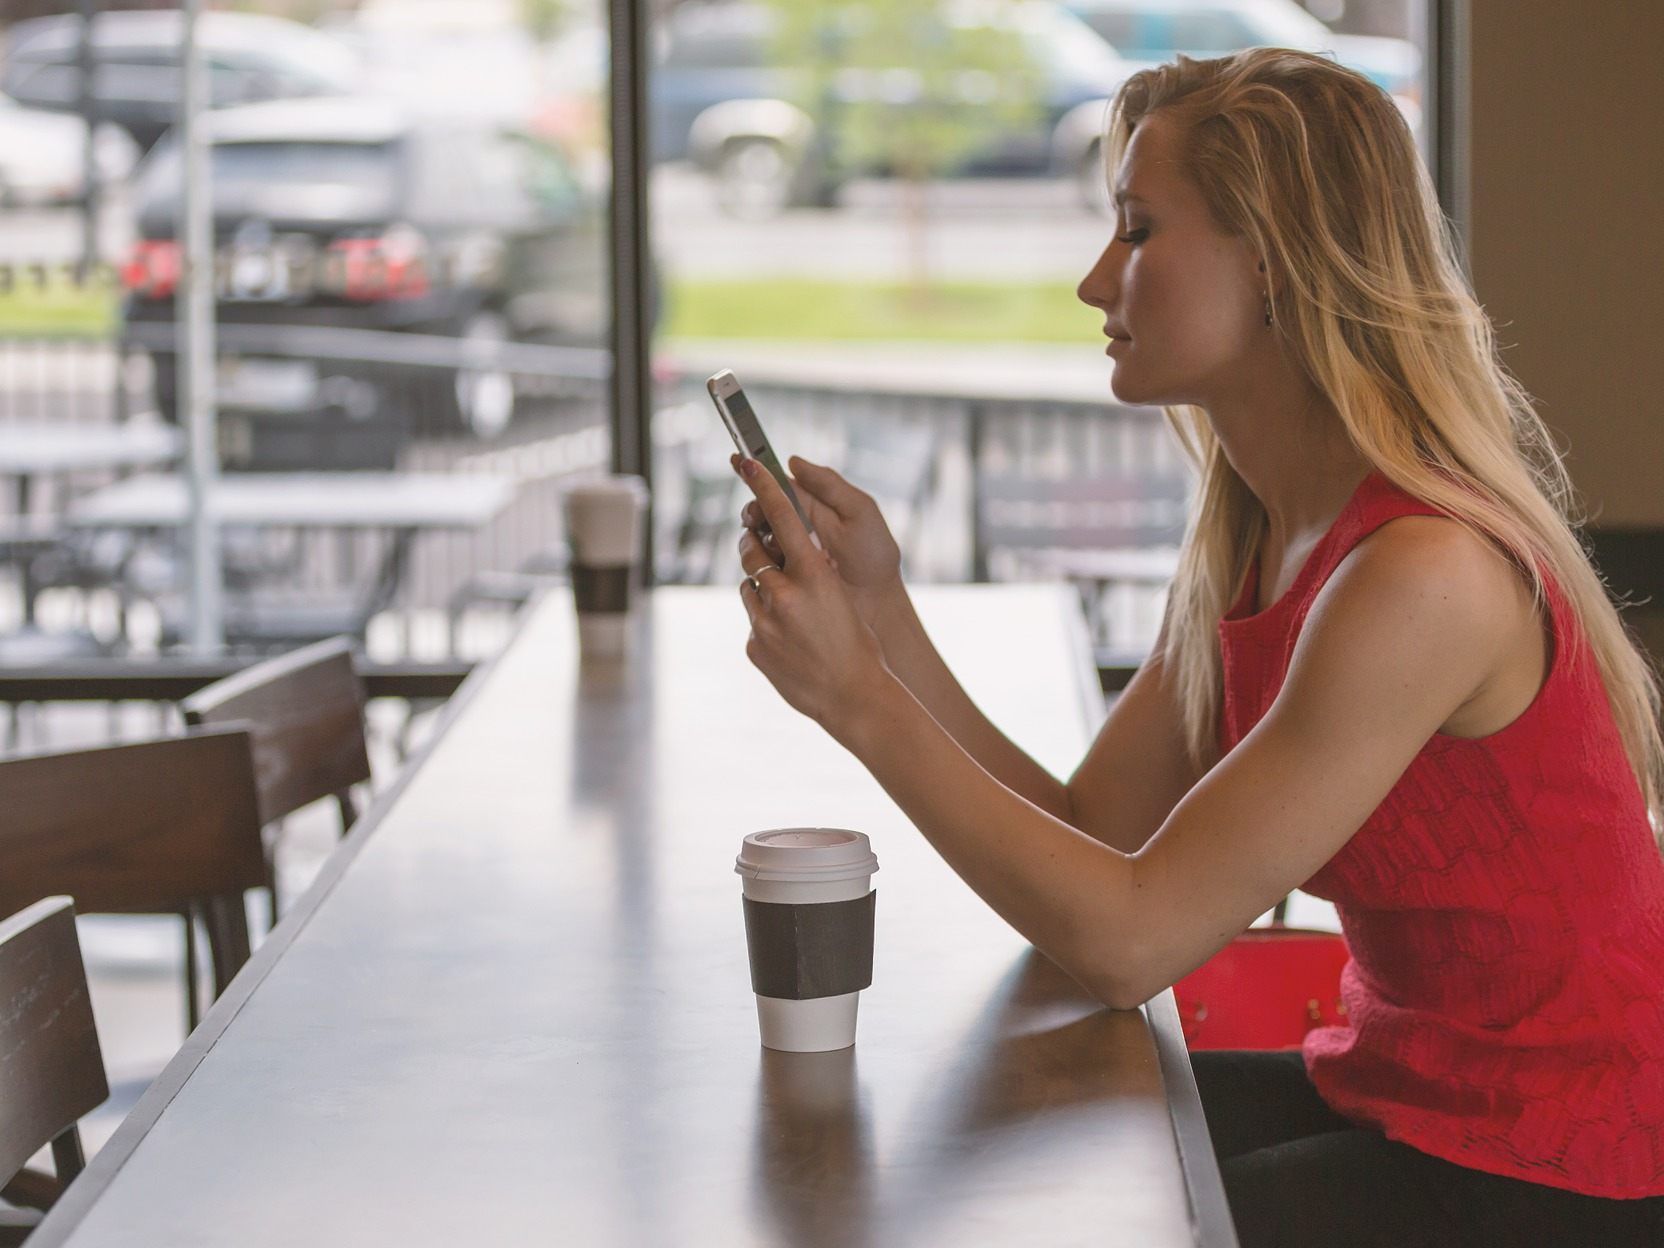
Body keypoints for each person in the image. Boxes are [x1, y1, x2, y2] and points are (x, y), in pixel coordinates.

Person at [728, 46, 1664, 1248]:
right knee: (1006, 1143)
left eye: (1135, 230)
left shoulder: (1420, 575)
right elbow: (1099, 840)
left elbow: (1127, 941)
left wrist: (859, 705)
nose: (1091, 281)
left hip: (1563, 1173)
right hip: (1402, 1098)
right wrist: (883, 624)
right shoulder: (1263, 533)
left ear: (1270, 264)